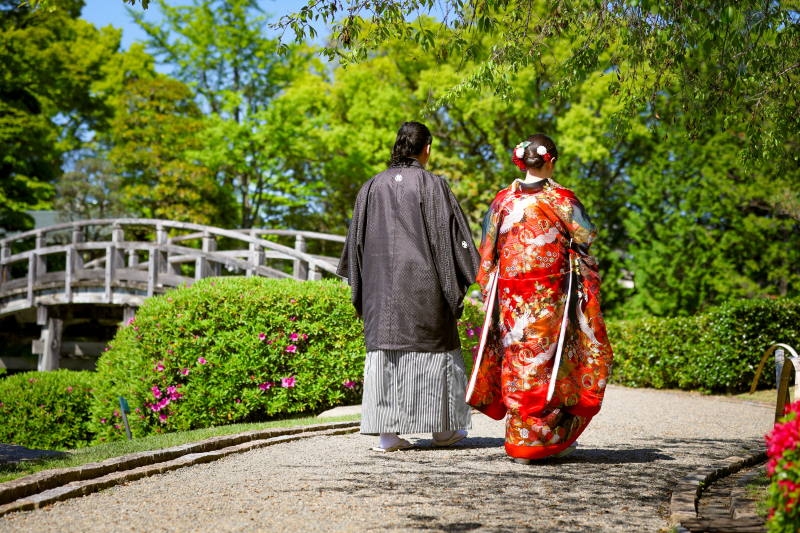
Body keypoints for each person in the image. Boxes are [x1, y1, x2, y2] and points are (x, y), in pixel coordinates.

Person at [466, 133, 614, 463]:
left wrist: (491, 286)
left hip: (511, 297)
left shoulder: (503, 201)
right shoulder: (562, 199)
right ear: (551, 161)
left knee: (517, 358)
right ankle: (542, 440)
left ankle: (519, 438)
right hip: (550, 295)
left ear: (522, 162)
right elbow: (586, 237)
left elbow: (487, 251)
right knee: (549, 361)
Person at [338, 121, 480, 452]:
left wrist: (363, 284)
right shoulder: (433, 185)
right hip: (424, 287)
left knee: (386, 354)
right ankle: (443, 432)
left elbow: (355, 245)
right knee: (436, 351)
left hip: (380, 291)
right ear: (426, 148)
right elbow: (452, 239)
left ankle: (388, 437)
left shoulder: (371, 187)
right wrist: (465, 277)